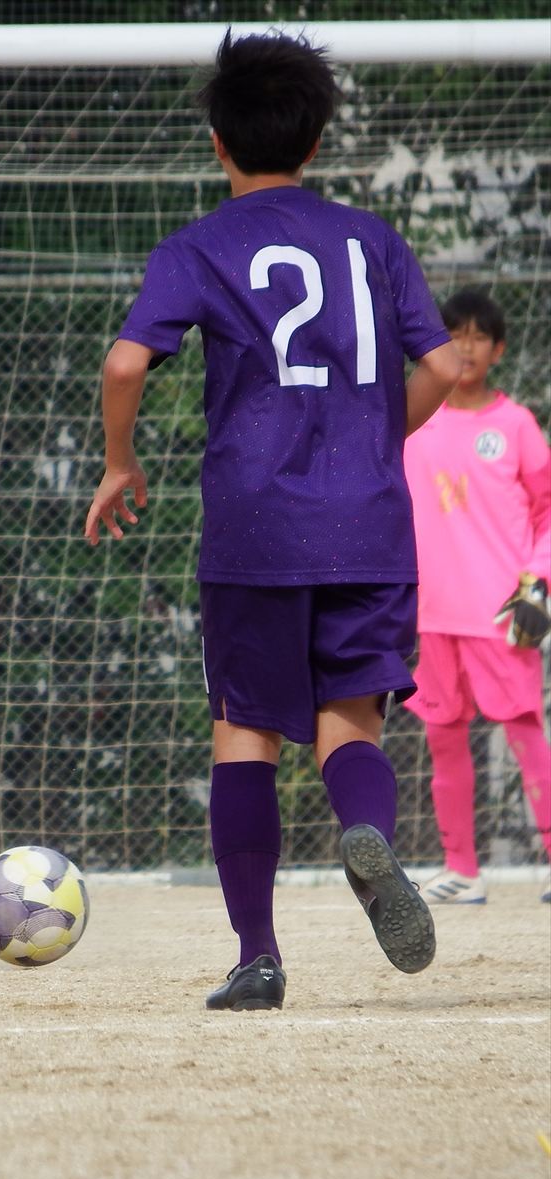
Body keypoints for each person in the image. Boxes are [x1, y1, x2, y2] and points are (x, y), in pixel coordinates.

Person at [83, 32, 462, 1011]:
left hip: (256, 526)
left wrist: (120, 461)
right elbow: (445, 365)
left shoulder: (200, 245)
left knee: (244, 731)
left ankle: (257, 956)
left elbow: (125, 363)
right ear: (316, 139)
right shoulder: (373, 239)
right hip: (367, 522)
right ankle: (366, 834)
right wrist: (373, 439)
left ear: (218, 142)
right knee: (352, 721)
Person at [402, 288, 551, 906]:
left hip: (500, 614)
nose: (465, 347)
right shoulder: (411, 417)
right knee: (443, 738)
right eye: (454, 334)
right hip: (430, 613)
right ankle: (462, 869)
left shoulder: (515, 425)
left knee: (524, 733)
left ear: (498, 349)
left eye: (478, 336)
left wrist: (538, 584)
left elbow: (546, 513)